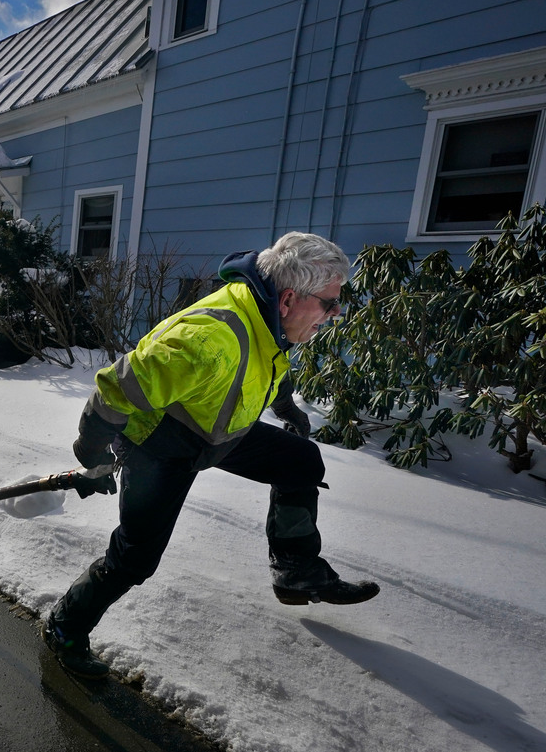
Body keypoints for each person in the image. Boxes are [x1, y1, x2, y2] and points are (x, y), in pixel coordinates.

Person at [43, 232, 379, 679]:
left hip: (218, 430)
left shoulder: (266, 315)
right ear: (289, 299)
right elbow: (115, 388)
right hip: (163, 448)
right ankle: (64, 627)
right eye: (329, 304)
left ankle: (297, 570)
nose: (334, 314)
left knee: (299, 460)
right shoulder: (209, 339)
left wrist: (283, 405)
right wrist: (92, 451)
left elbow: (268, 360)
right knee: (135, 559)